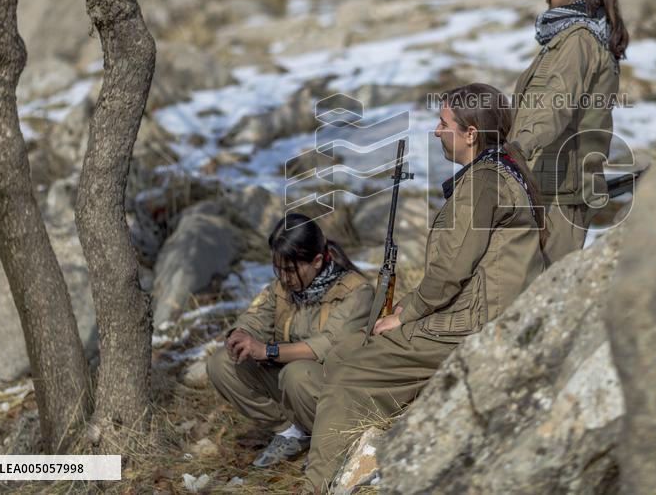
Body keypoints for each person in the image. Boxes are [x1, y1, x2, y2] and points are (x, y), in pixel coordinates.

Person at [297, 83, 546, 490]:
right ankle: (350, 455)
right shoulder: (503, 168)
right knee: (347, 349)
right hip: (477, 313)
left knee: (347, 378)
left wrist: (407, 315)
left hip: (471, 325)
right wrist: (407, 310)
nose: (436, 131)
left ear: (470, 134)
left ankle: (319, 486)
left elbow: (450, 271)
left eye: (444, 123)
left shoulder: (482, 182)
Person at [207, 213, 374, 467]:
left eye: (291, 270)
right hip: (293, 385)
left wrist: (268, 351)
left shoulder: (356, 292)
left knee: (297, 374)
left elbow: (328, 346)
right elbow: (255, 318)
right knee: (221, 364)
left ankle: (333, 443)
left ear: (317, 261)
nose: (285, 278)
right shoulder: (282, 288)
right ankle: (291, 432)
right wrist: (240, 333)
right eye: (279, 269)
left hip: (335, 389)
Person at [509, 0, 630, 266]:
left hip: (562, 192)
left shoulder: (578, 41)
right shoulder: (568, 39)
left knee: (540, 286)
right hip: (551, 185)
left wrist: (515, 149)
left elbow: (555, 106)